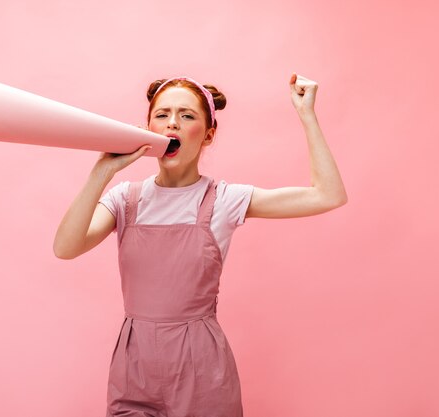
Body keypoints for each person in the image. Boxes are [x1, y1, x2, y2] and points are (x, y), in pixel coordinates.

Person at [53, 74, 347, 417]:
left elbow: (327, 195)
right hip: (134, 368)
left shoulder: (224, 200)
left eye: (187, 115)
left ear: (208, 134)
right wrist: (102, 172)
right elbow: (66, 247)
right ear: (147, 127)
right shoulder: (125, 199)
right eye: (161, 115)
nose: (172, 123)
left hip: (202, 371)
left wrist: (306, 114)